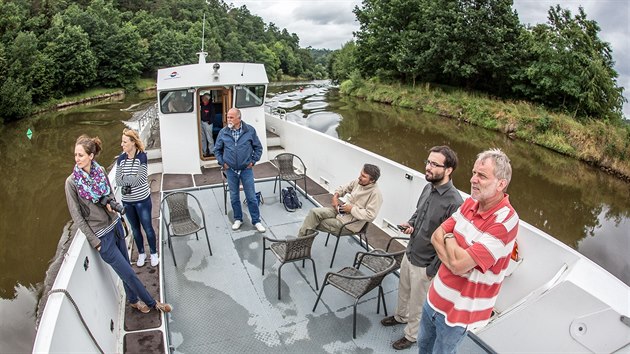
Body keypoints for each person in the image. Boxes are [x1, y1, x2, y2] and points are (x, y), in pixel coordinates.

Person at [418, 148, 519, 354]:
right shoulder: (470, 203)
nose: (473, 179)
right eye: (474, 173)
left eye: (482, 176)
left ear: (501, 184)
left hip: (458, 315)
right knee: (423, 346)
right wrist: (451, 245)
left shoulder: (506, 221)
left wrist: (449, 240)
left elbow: (459, 264)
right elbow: (437, 235)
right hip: (434, 297)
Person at [65, 135, 172, 314]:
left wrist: (114, 209)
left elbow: (112, 195)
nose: (77, 159)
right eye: (76, 155)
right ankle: (153, 303)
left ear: (91, 156)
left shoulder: (99, 172)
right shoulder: (71, 183)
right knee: (129, 274)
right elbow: (77, 217)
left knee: (126, 270)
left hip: (115, 227)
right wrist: (95, 242)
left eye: (81, 155)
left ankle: (133, 301)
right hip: (102, 238)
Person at [381, 146, 463, 350]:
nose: (428, 167)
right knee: (403, 292)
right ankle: (401, 317)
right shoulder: (428, 187)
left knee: (418, 304)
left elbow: (450, 241)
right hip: (410, 253)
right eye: (428, 162)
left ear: (449, 169)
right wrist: (410, 223)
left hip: (426, 264)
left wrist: (431, 270)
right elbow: (419, 214)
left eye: (434, 164)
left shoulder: (455, 203)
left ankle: (411, 336)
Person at [214, 108, 265, 232]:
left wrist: (253, 161)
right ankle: (238, 219)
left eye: (231, 117)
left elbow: (258, 148)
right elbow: (217, 150)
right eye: (228, 117)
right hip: (231, 170)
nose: (228, 120)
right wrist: (223, 163)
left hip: (246, 170)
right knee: (234, 196)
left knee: (251, 197)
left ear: (239, 118)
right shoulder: (223, 132)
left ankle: (256, 221)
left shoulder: (250, 130)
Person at [297, 164, 383, 237]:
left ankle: (299, 246)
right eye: (361, 174)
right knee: (314, 213)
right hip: (341, 211)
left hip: (349, 224)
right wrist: (335, 197)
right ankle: (300, 245)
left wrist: (351, 209)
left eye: (363, 176)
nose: (359, 177)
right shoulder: (358, 182)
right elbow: (343, 188)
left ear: (372, 180)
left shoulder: (375, 194)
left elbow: (370, 216)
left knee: (312, 222)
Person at [116, 128, 158, 267]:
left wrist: (126, 178)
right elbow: (118, 181)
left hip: (142, 200)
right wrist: (131, 178)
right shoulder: (121, 159)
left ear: (133, 142)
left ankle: (153, 253)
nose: (122, 145)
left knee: (148, 228)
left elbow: (141, 180)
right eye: (122, 142)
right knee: (135, 230)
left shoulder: (142, 157)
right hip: (127, 202)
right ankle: (141, 253)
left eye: (124, 142)